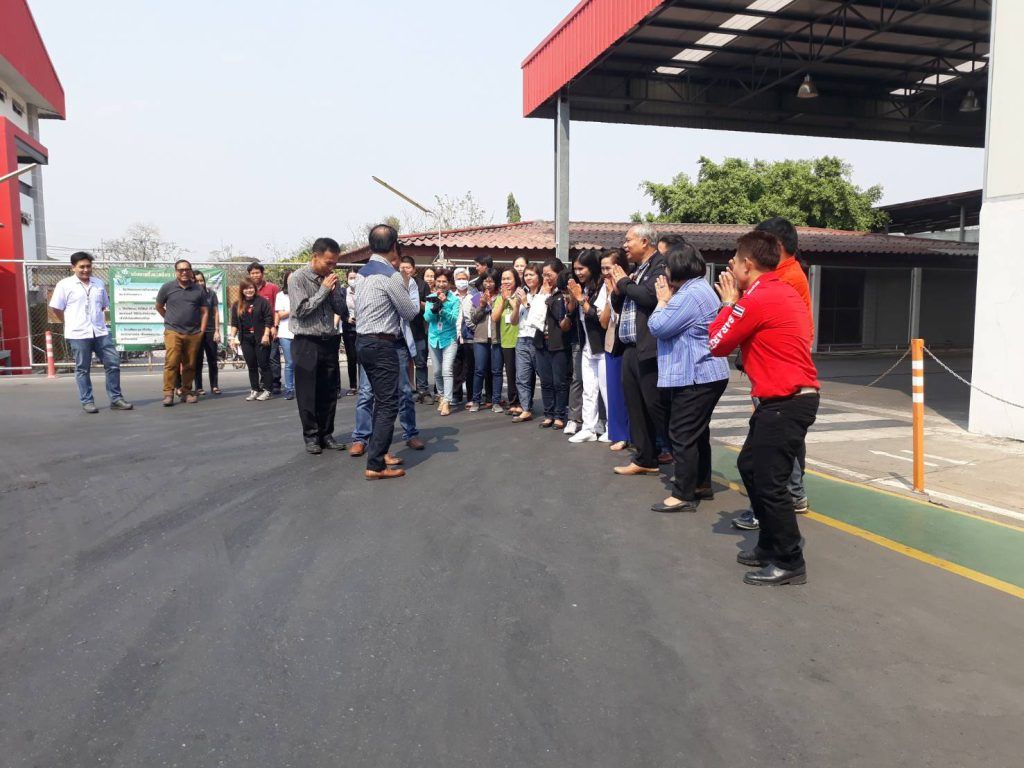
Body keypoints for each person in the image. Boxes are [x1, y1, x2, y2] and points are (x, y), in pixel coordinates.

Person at [709, 230, 820, 586]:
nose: (730, 268)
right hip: (786, 400)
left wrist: (728, 303)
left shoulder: (756, 298)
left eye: (734, 261)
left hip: (786, 402)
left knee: (771, 483)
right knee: (750, 466)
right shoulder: (780, 290)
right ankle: (770, 545)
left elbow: (717, 343)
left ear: (748, 264)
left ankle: (789, 560)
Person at [733, 217, 814, 530]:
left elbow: (737, 325)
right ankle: (792, 496)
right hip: (781, 374)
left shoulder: (782, 280)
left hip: (780, 376)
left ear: (775, 246)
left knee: (769, 454)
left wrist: (733, 297)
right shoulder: (784, 276)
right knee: (781, 445)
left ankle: (775, 507)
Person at [647, 241, 729, 513]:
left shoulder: (689, 295)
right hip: (705, 373)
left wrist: (662, 301)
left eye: (667, 267)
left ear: (678, 268)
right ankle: (701, 484)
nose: (664, 273)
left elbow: (658, 326)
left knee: (682, 433)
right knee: (697, 432)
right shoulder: (698, 289)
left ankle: (683, 494)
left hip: (696, 374)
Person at [352, 224, 421, 480]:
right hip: (382, 344)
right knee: (388, 404)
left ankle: (379, 452)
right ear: (394, 246)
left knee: (377, 400)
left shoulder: (362, 274)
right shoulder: (390, 276)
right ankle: (376, 464)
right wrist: (407, 285)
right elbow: (410, 312)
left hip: (363, 342)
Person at [609, 223, 667, 475]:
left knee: (655, 405)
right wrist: (618, 288)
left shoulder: (660, 266)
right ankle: (645, 458)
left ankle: (677, 453)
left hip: (649, 347)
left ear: (645, 242)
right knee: (635, 405)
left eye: (628, 240)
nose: (625, 245)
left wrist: (624, 282)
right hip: (630, 347)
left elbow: (649, 297)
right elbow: (621, 303)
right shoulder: (637, 270)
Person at [49, 251, 132, 413]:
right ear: (73, 267)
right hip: (78, 334)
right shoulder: (64, 285)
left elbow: (103, 305)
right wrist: (70, 322)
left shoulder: (98, 283)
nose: (86, 270)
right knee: (82, 368)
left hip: (100, 332)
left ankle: (116, 399)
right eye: (82, 267)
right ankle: (87, 401)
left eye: (88, 266)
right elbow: (56, 308)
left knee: (113, 363)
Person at [288, 238, 349, 454]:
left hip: (329, 340)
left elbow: (341, 310)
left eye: (335, 263)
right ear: (315, 256)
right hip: (306, 342)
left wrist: (334, 292)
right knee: (308, 393)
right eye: (328, 262)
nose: (332, 267)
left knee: (329, 392)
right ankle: (311, 436)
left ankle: (327, 434)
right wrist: (323, 290)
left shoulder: (331, 280)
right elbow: (301, 310)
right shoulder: (297, 278)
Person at [564, 249, 606, 443]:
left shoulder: (602, 287)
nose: (578, 273)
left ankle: (610, 427)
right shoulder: (584, 288)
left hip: (603, 347)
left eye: (582, 268)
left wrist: (581, 299)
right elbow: (575, 316)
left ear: (592, 267)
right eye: (576, 269)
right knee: (588, 389)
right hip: (587, 346)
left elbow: (599, 318)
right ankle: (588, 427)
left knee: (605, 390)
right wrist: (574, 300)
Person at [156, 259, 208, 406]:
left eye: (187, 269)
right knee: (171, 362)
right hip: (173, 331)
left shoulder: (198, 289)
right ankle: (168, 393)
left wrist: (202, 331)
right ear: (176, 272)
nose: (184, 272)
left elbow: (205, 312)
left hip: (193, 333)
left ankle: (186, 392)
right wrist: (170, 319)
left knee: (189, 364)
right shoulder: (167, 287)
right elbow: (159, 306)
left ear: (191, 271)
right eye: (181, 270)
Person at [533, 259, 571, 429]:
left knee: (559, 382)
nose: (546, 279)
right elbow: (533, 316)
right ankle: (548, 414)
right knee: (546, 381)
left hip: (559, 343)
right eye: (544, 275)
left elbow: (560, 316)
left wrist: (547, 296)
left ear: (559, 274)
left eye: (549, 275)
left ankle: (559, 415)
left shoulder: (564, 293)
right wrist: (542, 296)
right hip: (541, 341)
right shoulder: (541, 293)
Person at [600, 249, 630, 450]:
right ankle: (619, 434)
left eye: (608, 268)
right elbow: (603, 322)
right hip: (613, 342)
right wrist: (610, 297)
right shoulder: (604, 288)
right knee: (615, 393)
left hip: (630, 343)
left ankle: (635, 435)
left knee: (631, 394)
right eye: (602, 268)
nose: (605, 273)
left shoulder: (631, 283)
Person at [229, 278, 274, 401]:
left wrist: (266, 335)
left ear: (255, 288)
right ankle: (255, 389)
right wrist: (232, 338)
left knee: (264, 364)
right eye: (246, 288)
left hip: (261, 338)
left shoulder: (262, 302)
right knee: (251, 365)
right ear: (242, 290)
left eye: (251, 288)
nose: (249, 290)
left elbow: (268, 319)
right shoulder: (237, 304)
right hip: (245, 339)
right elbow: (234, 323)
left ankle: (268, 390)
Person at [423, 269, 460, 416]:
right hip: (434, 338)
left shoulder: (454, 300)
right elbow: (427, 318)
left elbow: (453, 319)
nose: (441, 284)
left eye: (444, 281)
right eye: (438, 281)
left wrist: (443, 306)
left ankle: (447, 401)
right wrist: (435, 307)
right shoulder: (431, 298)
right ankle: (442, 394)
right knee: (437, 371)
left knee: (447, 370)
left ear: (449, 283)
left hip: (449, 338)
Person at [467, 268, 504, 412]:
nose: (488, 284)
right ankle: (476, 401)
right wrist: (482, 306)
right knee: (479, 370)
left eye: (491, 281)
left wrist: (492, 303)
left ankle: (496, 402)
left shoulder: (501, 297)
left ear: (496, 282)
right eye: (486, 281)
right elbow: (474, 319)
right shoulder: (478, 297)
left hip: (497, 339)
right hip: (480, 338)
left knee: (497, 371)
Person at [512, 263, 543, 423]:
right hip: (521, 338)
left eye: (531, 274)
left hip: (537, 339)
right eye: (526, 275)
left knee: (544, 375)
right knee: (522, 377)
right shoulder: (523, 294)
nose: (528, 278)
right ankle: (526, 409)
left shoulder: (543, 295)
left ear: (539, 276)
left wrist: (525, 302)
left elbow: (539, 317)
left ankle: (553, 409)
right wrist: (517, 306)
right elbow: (513, 321)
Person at [400, 256, 432, 404]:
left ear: (413, 269)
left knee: (421, 362)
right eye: (402, 267)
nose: (405, 270)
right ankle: (405, 391)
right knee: (403, 363)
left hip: (419, 330)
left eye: (408, 267)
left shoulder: (422, 285)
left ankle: (423, 391)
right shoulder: (396, 284)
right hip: (401, 332)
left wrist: (416, 302)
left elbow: (429, 306)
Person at [492, 267, 523, 416]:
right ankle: (513, 402)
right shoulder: (500, 297)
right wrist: (504, 300)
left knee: (522, 374)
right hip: (507, 341)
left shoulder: (521, 294)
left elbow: (520, 310)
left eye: (508, 278)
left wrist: (510, 298)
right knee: (511, 374)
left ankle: (524, 402)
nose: (505, 281)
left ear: (515, 280)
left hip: (521, 339)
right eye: (503, 279)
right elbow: (495, 317)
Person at [248, 262, 282, 395]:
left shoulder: (272, 288)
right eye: (252, 273)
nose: (255, 275)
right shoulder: (249, 290)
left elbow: (277, 309)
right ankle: (265, 382)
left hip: (271, 328)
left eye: (257, 272)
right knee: (260, 358)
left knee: (273, 357)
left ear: (262, 273)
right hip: (256, 330)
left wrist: (274, 326)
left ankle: (276, 383)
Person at [191, 271, 221, 396]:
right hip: (196, 332)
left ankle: (214, 386)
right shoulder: (190, 294)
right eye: (196, 281)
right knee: (197, 361)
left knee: (212, 360)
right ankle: (198, 387)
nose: (199, 283)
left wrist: (217, 330)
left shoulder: (211, 294)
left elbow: (216, 312)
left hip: (210, 331)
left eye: (201, 280)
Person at [452, 266, 477, 406]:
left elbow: (484, 310)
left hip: (470, 336)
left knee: (470, 367)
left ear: (468, 280)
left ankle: (471, 397)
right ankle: (456, 395)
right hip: (454, 336)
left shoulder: (475, 296)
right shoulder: (451, 296)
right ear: (454, 280)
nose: (461, 281)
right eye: (458, 279)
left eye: (464, 278)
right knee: (456, 366)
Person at [275, 270, 296, 400]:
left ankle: (302, 388)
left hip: (300, 332)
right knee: (290, 363)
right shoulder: (281, 295)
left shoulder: (303, 292)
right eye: (290, 278)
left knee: (301, 363)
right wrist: (295, 309)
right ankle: (289, 389)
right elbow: (281, 315)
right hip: (285, 333)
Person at [341, 274, 359, 395]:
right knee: (351, 358)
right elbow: (339, 309)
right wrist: (347, 319)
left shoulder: (364, 290)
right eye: (351, 278)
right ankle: (353, 386)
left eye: (355, 278)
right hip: (349, 329)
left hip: (362, 328)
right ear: (347, 279)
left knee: (363, 358)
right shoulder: (343, 293)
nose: (353, 280)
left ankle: (366, 386)